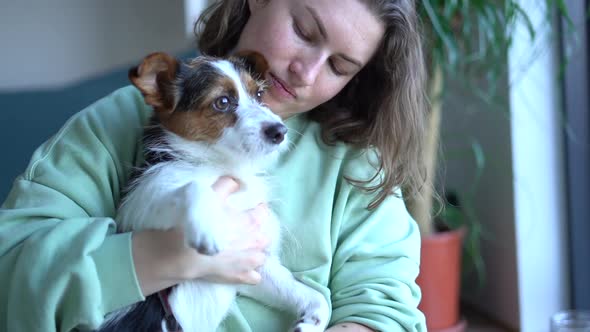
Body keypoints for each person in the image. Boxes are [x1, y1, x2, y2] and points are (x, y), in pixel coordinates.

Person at [0, 0, 428, 331]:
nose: (306, 72)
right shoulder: (113, 125)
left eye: (338, 66)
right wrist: (157, 256)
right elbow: (11, 272)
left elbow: (385, 309)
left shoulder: (357, 166)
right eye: (303, 29)